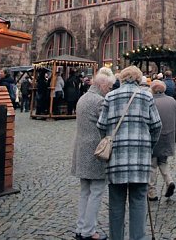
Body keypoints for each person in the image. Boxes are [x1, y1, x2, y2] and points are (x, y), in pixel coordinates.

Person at [97, 66, 161, 240]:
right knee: (138, 202)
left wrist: (109, 140)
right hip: (140, 159)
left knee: (116, 204)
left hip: (116, 159)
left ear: (122, 79)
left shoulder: (110, 96)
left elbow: (101, 125)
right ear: (139, 79)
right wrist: (148, 145)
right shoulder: (146, 96)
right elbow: (156, 125)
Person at [71, 70, 116, 240]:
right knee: (96, 191)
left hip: (82, 149)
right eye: (109, 87)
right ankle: (89, 232)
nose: (110, 90)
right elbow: (108, 125)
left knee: (85, 191)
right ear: (103, 85)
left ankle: (81, 227)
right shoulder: (99, 101)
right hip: (95, 152)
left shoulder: (83, 98)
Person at [148, 80, 176, 201]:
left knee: (152, 165)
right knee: (163, 162)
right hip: (168, 137)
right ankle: (169, 181)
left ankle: (152, 191)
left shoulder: (150, 102)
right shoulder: (172, 100)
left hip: (154, 137)